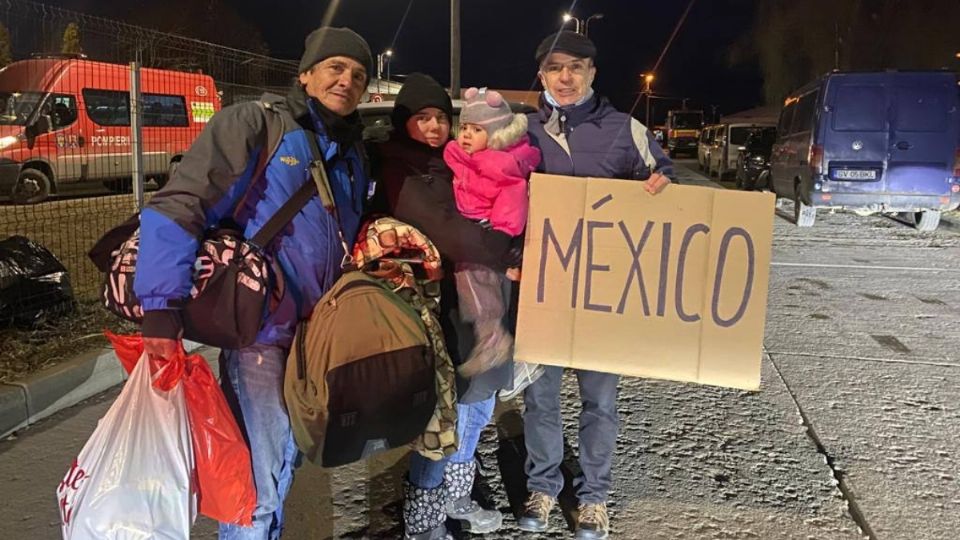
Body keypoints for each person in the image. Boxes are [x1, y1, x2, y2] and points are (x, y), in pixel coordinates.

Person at [135, 27, 373, 539]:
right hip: (259, 331)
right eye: (334, 67)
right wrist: (160, 304)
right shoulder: (255, 124)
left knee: (283, 461)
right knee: (258, 482)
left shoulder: (353, 154)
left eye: (358, 74)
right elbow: (181, 204)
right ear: (305, 74)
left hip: (316, 336)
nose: (346, 80)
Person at [517, 31, 673, 540]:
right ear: (540, 74)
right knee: (540, 399)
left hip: (604, 295)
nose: (565, 77)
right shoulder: (520, 132)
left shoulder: (625, 129)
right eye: (555, 68)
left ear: (592, 74)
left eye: (576, 67)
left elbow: (667, 182)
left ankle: (594, 497)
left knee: (599, 402)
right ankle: (542, 485)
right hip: (543, 292)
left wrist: (661, 187)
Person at [369, 73, 510, 539]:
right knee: (440, 419)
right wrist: (507, 248)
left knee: (474, 407)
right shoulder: (399, 169)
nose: (433, 127)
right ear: (404, 122)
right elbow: (446, 230)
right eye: (421, 118)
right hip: (429, 311)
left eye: (440, 118)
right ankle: (424, 523)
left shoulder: (454, 162)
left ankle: (456, 496)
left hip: (469, 303)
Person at [443, 86, 540, 378]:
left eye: (476, 130)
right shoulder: (466, 158)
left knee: (476, 281)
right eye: (464, 128)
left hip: (488, 230)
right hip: (473, 227)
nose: (466, 135)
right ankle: (498, 342)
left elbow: (513, 195)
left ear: (496, 135)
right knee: (475, 283)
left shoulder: (500, 164)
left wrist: (501, 233)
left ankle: (494, 339)